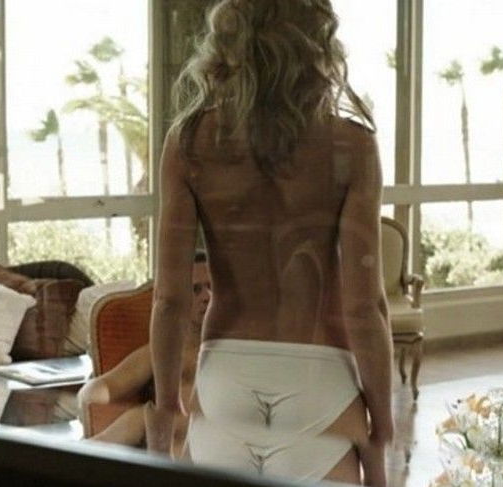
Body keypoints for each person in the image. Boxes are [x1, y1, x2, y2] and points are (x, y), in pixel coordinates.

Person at [147, 1, 393, 485]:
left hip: (226, 375)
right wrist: (381, 425)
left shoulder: (189, 141)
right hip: (320, 381)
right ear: (315, 44)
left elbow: (169, 301)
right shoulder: (352, 144)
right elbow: (366, 309)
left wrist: (167, 403)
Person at [77, 251, 210, 452]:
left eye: (211, 288)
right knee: (139, 418)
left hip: (228, 448)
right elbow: (104, 387)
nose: (207, 297)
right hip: (173, 454)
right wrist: (87, 399)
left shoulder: (237, 349)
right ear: (178, 298)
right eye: (196, 290)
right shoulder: (162, 351)